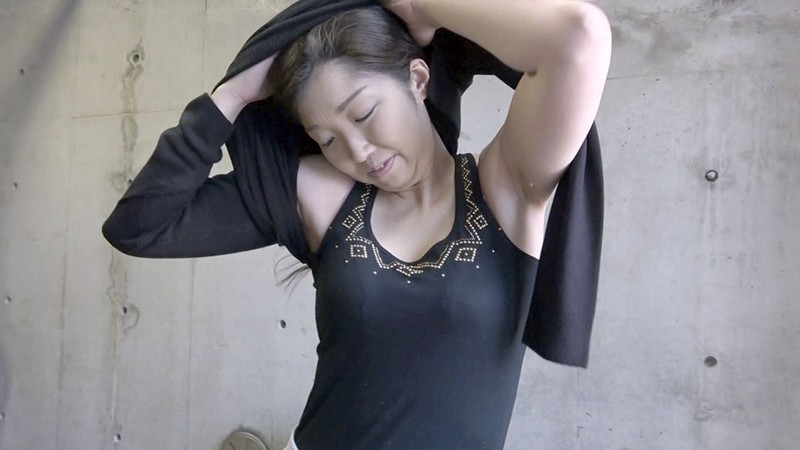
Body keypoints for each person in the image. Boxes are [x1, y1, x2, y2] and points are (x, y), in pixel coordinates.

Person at [103, 0, 611, 448]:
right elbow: (140, 227)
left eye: (364, 114)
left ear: (417, 79)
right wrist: (230, 97)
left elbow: (580, 36)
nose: (358, 152)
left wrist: (425, 8)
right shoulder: (323, 198)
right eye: (327, 139)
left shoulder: (506, 187)